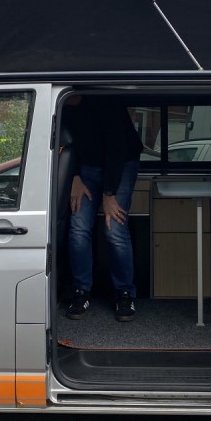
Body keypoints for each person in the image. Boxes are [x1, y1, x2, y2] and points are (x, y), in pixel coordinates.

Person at [64, 95, 143, 321]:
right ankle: (81, 291)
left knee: (114, 227)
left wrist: (109, 194)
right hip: (86, 168)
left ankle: (125, 293)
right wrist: (75, 177)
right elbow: (67, 145)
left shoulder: (105, 102)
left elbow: (117, 149)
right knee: (78, 228)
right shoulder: (60, 105)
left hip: (122, 163)